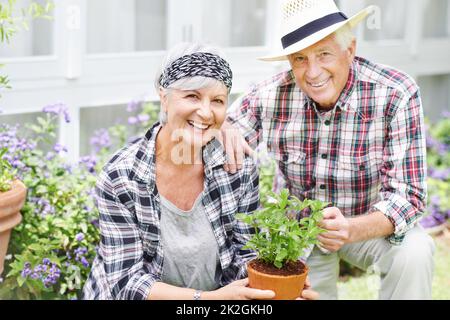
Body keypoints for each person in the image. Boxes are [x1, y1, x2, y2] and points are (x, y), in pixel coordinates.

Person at [221, 0, 435, 300]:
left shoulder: (395, 92)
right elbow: (217, 128)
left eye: (324, 54)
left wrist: (351, 229)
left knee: (416, 251)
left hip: (367, 224)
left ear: (350, 50)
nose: (313, 72)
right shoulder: (271, 94)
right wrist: (223, 125)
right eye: (299, 58)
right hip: (298, 233)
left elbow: (409, 196)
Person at [82, 42, 318, 300]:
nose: (205, 112)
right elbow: (127, 284)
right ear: (164, 97)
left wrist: (277, 287)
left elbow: (244, 254)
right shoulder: (121, 177)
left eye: (217, 100)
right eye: (192, 96)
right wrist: (208, 300)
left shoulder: (238, 168)